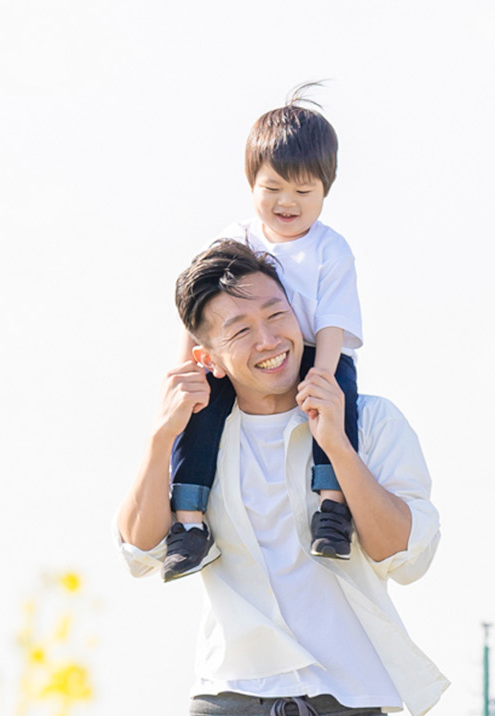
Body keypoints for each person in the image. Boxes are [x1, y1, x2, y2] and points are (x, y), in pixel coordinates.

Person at [116, 240, 445, 716]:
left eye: (277, 313)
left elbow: (406, 551)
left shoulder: (368, 419)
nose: (269, 339)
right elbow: (136, 547)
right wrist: (162, 433)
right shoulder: (195, 438)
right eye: (240, 329)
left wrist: (335, 440)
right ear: (209, 353)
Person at [163, 84, 365, 579]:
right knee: (199, 410)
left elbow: (335, 323)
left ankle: (332, 506)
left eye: (303, 192)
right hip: (240, 357)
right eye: (272, 189)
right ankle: (188, 520)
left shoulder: (330, 249)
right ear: (251, 182)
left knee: (339, 397)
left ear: (326, 191)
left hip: (316, 350)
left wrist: (319, 379)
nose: (286, 203)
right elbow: (198, 309)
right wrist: (186, 368)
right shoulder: (234, 239)